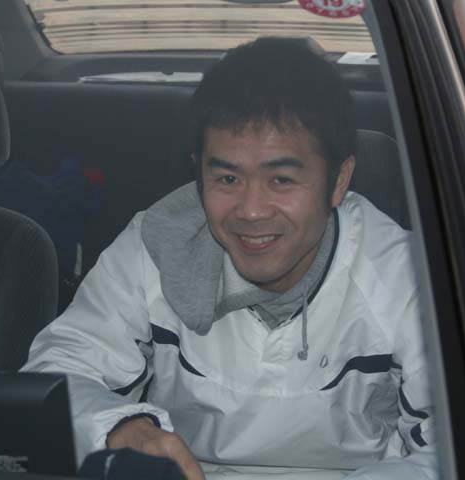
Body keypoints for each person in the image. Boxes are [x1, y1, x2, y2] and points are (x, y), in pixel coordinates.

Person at [23, 37, 436, 480]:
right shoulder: (153, 247)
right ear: (199, 172)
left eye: (281, 179)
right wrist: (120, 429)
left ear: (338, 181)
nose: (251, 211)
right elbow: (59, 371)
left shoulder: (408, 277)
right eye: (227, 178)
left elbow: (455, 444)